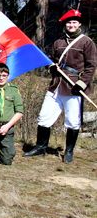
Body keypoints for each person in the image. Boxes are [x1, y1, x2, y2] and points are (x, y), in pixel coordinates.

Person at [25, 9, 97, 163]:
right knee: (44, 117)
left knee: (72, 120)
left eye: (74, 22)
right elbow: (51, 60)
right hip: (56, 84)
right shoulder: (58, 42)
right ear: (65, 25)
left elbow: (91, 66)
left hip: (74, 87)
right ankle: (41, 146)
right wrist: (50, 66)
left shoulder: (87, 42)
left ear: (79, 24)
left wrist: (82, 83)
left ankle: (69, 151)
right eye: (68, 23)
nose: (71, 25)